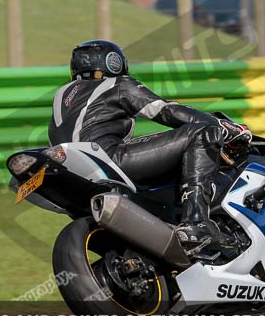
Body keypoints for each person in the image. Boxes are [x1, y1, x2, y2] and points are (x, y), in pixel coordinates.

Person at [48, 40, 251, 255]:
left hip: (76, 173)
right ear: (114, 63)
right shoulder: (117, 84)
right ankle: (197, 222)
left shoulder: (62, 97)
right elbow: (165, 111)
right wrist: (222, 126)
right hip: (109, 160)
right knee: (200, 132)